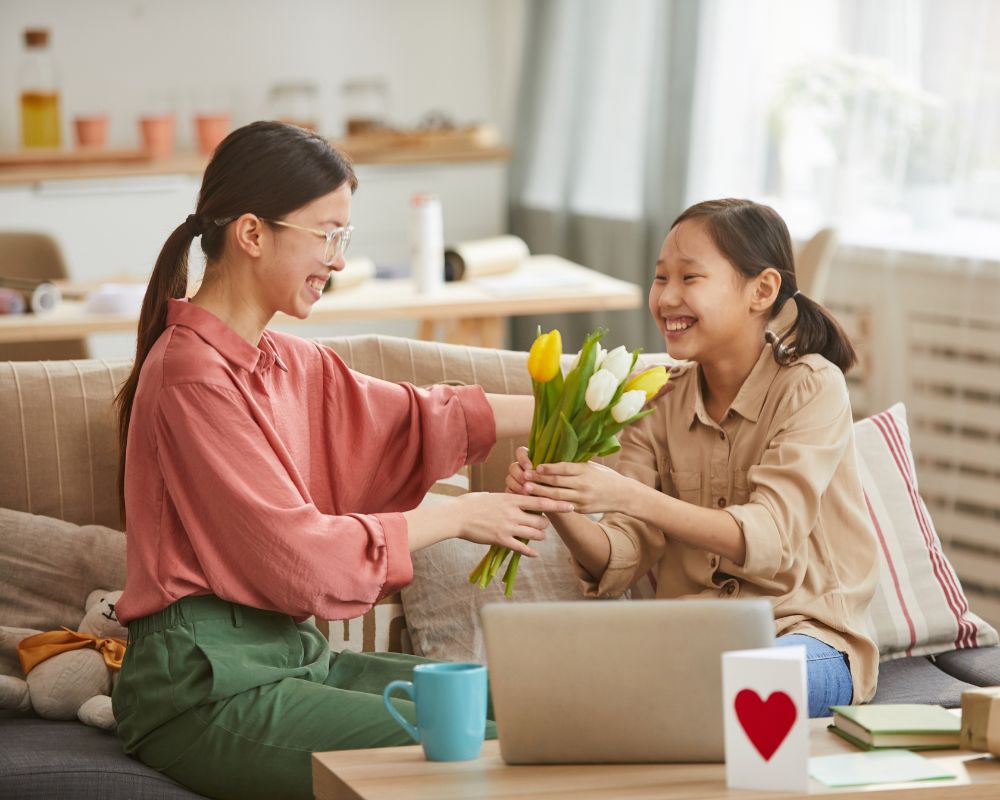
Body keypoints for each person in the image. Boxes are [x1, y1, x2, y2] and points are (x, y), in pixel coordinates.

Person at [111, 121, 572, 800]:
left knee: (536, 717)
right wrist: (462, 515)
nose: (339, 259)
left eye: (343, 238)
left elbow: (420, 416)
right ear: (252, 233)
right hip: (203, 690)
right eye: (327, 234)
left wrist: (583, 402)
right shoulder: (191, 377)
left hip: (289, 661)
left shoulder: (282, 361)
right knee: (487, 750)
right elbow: (300, 558)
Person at [508, 198, 879, 717]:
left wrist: (628, 494)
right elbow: (622, 554)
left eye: (690, 278)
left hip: (804, 637)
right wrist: (559, 501)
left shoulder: (812, 386)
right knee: (538, 689)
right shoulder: (655, 403)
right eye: (661, 279)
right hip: (690, 644)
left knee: (728, 689)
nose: (667, 297)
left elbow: (770, 535)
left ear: (762, 290)